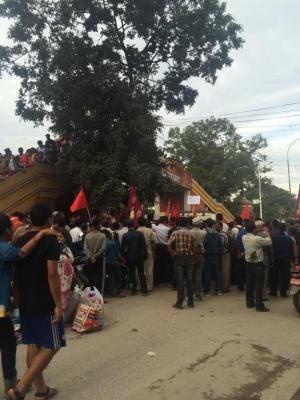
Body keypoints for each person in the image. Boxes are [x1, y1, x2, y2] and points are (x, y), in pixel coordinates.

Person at [9, 203, 64, 400]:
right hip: (44, 300)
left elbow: (15, 270)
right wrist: (58, 304)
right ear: (49, 220)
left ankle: (41, 390)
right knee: (52, 345)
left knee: (34, 343)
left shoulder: (20, 240)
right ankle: (21, 387)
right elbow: (52, 274)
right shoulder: (50, 241)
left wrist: (15, 294)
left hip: (25, 299)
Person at [0, 213, 56, 399]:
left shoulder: (10, 245)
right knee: (11, 344)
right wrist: (40, 235)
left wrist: (15, 295)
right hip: (8, 307)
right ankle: (17, 387)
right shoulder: (5, 249)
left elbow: (15, 273)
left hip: (15, 305)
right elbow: (23, 254)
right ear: (7, 230)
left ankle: (37, 388)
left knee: (28, 342)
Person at [242, 221, 272, 312]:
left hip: (248, 264)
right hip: (258, 265)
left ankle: (250, 303)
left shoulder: (244, 237)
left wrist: (257, 230)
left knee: (249, 284)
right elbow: (269, 242)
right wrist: (267, 233)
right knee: (259, 285)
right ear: (254, 229)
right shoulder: (257, 239)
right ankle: (259, 306)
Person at [167, 217, 195, 309]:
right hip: (189, 257)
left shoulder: (175, 233)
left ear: (178, 224)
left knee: (180, 280)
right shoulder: (191, 233)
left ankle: (179, 303)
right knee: (190, 280)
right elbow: (194, 246)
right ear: (186, 224)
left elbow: (168, 244)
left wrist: (172, 253)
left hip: (179, 257)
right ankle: (191, 302)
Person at [121, 221, 148, 296]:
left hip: (130, 257)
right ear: (134, 226)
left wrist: (123, 257)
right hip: (139, 256)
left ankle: (134, 290)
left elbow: (123, 248)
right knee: (141, 273)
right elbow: (143, 246)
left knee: (132, 274)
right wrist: (145, 255)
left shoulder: (125, 235)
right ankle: (144, 290)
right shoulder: (140, 234)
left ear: (127, 226)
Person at [270, 222, 294, 297]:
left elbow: (271, 250)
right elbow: (291, 251)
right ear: (285, 229)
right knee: (285, 276)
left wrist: (272, 259)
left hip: (276, 260)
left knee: (274, 276)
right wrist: (291, 260)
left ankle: (273, 291)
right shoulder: (289, 239)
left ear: (277, 228)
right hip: (285, 260)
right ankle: (283, 292)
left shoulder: (273, 238)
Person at [84, 219, 106, 291]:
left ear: (92, 226)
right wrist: (95, 256)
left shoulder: (87, 236)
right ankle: (100, 295)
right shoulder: (103, 236)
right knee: (100, 277)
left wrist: (91, 256)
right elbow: (103, 248)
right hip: (99, 258)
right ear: (99, 226)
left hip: (90, 259)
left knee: (91, 277)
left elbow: (85, 248)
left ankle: (92, 294)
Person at [203, 218, 223, 296]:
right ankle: (218, 290)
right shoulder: (217, 234)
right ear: (213, 225)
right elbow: (220, 246)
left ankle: (206, 291)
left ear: (206, 224)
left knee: (207, 273)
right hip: (215, 255)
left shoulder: (205, 233)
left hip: (207, 255)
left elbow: (203, 245)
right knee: (217, 273)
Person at [138, 217, 156, 292]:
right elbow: (153, 243)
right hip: (149, 252)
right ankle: (149, 286)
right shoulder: (150, 231)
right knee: (149, 269)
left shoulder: (137, 231)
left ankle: (140, 286)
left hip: (139, 253)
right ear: (145, 223)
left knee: (140, 270)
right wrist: (154, 253)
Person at [152, 216, 172, 285]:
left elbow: (152, 224)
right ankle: (167, 280)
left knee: (158, 264)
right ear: (165, 221)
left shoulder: (155, 227)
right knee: (167, 264)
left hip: (158, 248)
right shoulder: (168, 229)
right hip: (166, 247)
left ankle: (158, 280)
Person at [191, 218, 207, 301]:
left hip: (191, 254)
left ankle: (190, 294)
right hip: (200, 254)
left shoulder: (189, 232)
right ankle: (198, 295)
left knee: (190, 275)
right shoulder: (204, 232)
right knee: (198, 275)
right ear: (199, 224)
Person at [216, 221, 231, 293]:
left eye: (217, 226)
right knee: (222, 270)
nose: (215, 227)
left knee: (225, 271)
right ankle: (222, 286)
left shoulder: (222, 235)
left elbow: (221, 245)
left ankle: (225, 287)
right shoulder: (219, 234)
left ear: (221, 227)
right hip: (220, 254)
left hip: (224, 254)